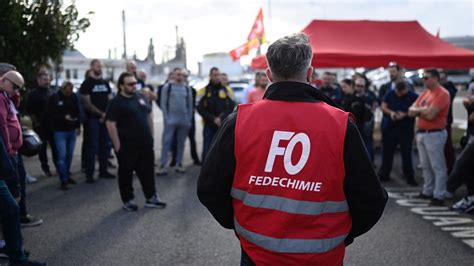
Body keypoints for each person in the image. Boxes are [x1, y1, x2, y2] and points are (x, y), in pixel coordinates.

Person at [197, 33, 387, 265]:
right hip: (322, 255)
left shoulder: (240, 120)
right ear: (309, 73)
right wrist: (342, 235)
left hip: (257, 253)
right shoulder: (340, 124)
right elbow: (372, 198)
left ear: (268, 75)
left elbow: (209, 187)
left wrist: (239, 224)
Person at [105, 72, 166, 211]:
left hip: (145, 144)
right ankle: (128, 199)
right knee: (126, 173)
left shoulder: (141, 97)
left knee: (148, 172)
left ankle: (151, 197)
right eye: (130, 84)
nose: (134, 86)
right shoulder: (116, 103)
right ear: (121, 86)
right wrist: (117, 145)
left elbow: (149, 114)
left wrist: (151, 136)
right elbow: (110, 124)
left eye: (135, 83)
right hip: (126, 146)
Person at [0, 70, 42, 228]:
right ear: (4, 79)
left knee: (17, 186)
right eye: (15, 87)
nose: (17, 91)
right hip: (8, 153)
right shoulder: (1, 97)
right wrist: (9, 148)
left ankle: (13, 227)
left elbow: (15, 110)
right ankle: (11, 233)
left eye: (20, 88)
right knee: (12, 192)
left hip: (12, 152)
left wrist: (14, 93)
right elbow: (2, 125)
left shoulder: (6, 96)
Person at [409, 68, 451, 206]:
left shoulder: (442, 93)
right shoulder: (426, 93)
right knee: (426, 166)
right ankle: (428, 190)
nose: (423, 80)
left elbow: (431, 115)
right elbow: (410, 111)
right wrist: (423, 111)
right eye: (423, 77)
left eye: (426, 78)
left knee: (437, 166)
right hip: (422, 132)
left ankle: (439, 195)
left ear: (435, 78)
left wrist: (418, 111)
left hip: (435, 133)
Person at [79, 59, 115, 183]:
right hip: (92, 120)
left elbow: (110, 100)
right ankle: (89, 174)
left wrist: (106, 115)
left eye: (101, 66)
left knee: (105, 146)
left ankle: (103, 171)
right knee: (92, 146)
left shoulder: (105, 83)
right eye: (97, 66)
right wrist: (101, 114)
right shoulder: (87, 83)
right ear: (92, 67)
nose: (100, 68)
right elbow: (87, 104)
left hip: (105, 120)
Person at [379, 81, 418, 185]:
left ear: (406, 89)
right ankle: (384, 174)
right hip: (391, 127)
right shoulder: (390, 93)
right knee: (387, 152)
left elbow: (416, 109)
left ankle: (409, 176)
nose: (399, 94)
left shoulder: (413, 96)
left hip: (406, 129)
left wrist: (405, 114)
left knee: (407, 153)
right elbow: (383, 106)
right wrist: (391, 113)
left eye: (402, 92)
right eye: (398, 92)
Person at [156, 68, 193, 175]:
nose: (180, 76)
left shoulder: (187, 88)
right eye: (178, 74)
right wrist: (167, 118)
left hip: (184, 120)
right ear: (173, 75)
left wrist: (189, 119)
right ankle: (163, 165)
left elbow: (190, 105)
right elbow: (163, 103)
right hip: (171, 120)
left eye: (181, 75)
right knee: (166, 143)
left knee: (181, 142)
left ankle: (179, 163)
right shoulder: (168, 87)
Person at [47, 81, 81, 190]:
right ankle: (63, 179)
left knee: (69, 155)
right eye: (67, 90)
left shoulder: (74, 96)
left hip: (72, 130)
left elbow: (77, 110)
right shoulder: (55, 97)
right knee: (62, 155)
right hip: (59, 131)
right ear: (63, 88)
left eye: (71, 90)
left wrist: (78, 125)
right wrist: (63, 117)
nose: (69, 92)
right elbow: (50, 114)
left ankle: (67, 174)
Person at [196, 67, 235, 161]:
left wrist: (221, 118)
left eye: (219, 75)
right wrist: (213, 119)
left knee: (222, 149)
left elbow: (231, 106)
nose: (217, 77)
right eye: (215, 75)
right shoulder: (203, 90)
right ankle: (205, 170)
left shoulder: (227, 91)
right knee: (207, 149)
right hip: (209, 125)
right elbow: (199, 108)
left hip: (222, 124)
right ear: (210, 76)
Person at [26, 71, 57, 177]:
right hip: (40, 127)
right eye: (44, 79)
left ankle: (58, 167)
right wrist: (36, 123)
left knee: (55, 148)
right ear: (38, 80)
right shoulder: (33, 94)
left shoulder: (52, 92)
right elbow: (30, 111)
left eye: (48, 79)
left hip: (52, 126)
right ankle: (45, 168)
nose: (47, 81)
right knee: (42, 149)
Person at [169, 69, 201, 166]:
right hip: (178, 118)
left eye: (186, 76)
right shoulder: (173, 88)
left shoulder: (191, 90)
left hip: (189, 118)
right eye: (183, 76)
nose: (184, 78)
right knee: (176, 139)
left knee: (192, 139)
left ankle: (195, 158)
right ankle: (175, 160)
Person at [353, 75, 376, 162]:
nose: (359, 88)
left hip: (366, 123)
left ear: (365, 86)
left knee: (367, 143)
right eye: (357, 86)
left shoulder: (370, 95)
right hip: (355, 123)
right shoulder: (352, 95)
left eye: (361, 86)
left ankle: (370, 163)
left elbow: (374, 107)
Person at [440, 70, 457, 174]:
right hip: (440, 122)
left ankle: (451, 169)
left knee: (447, 147)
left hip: (446, 122)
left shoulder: (449, 89)